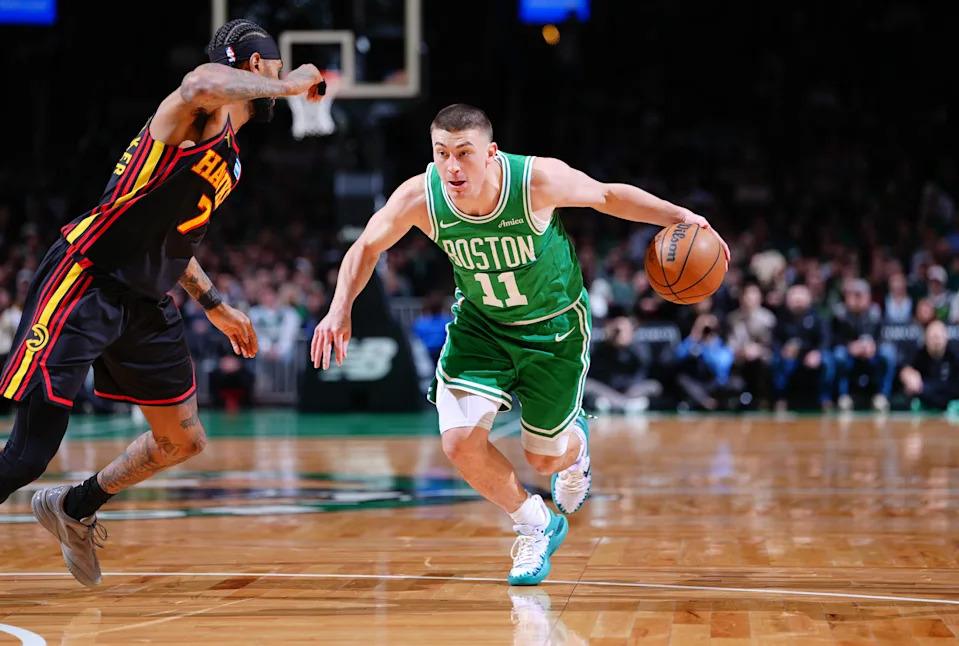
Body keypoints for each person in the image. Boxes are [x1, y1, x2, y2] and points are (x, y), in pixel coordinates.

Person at [310, 104, 729, 585]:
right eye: (441, 153)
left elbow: (608, 195)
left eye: (463, 154)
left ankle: (576, 449)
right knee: (459, 442)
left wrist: (681, 215)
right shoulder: (420, 196)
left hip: (552, 329)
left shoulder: (534, 181)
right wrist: (340, 307)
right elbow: (366, 246)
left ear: (491, 154)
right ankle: (536, 524)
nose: (451, 167)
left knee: (544, 459)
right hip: (482, 325)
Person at [0, 19, 324, 587]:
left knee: (183, 439)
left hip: (145, 300)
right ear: (253, 66)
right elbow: (200, 79)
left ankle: (74, 506)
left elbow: (176, 239)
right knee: (28, 452)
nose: (278, 75)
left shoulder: (231, 154)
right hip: (86, 281)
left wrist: (215, 303)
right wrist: (293, 86)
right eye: (273, 65)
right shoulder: (200, 113)